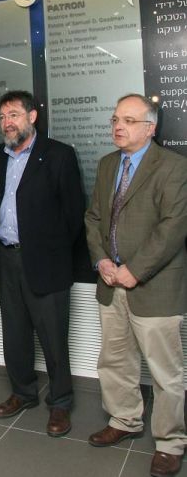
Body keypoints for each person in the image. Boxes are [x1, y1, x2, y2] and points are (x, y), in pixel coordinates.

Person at [86, 94, 187, 477]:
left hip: (154, 285)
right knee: (114, 361)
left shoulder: (173, 167)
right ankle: (124, 421)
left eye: (129, 120)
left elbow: (173, 227)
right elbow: (93, 218)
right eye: (115, 119)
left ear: (151, 127)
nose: (118, 126)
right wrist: (101, 261)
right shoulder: (107, 164)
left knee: (165, 373)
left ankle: (170, 442)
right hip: (110, 283)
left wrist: (135, 270)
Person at [0, 91, 85, 436]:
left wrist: (50, 251)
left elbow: (74, 217)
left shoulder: (58, 155)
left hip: (46, 263)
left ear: (32, 117)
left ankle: (60, 404)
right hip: (6, 258)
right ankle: (23, 392)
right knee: (14, 335)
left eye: (13, 114)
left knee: (54, 339)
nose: (7, 122)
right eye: (2, 117)